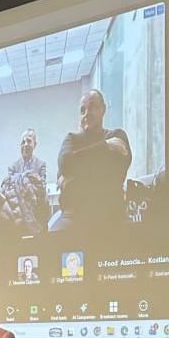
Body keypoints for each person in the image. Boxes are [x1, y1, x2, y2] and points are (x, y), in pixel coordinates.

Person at [57, 89, 131, 232]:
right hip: (74, 219)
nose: (86, 113)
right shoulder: (71, 138)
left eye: (92, 107)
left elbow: (116, 173)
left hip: (111, 216)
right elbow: (65, 163)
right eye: (82, 110)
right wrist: (106, 147)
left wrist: (75, 175)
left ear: (103, 109)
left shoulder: (117, 136)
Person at [1, 129, 48, 235]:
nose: (25, 145)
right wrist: (27, 181)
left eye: (29, 141)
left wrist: (21, 182)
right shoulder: (13, 167)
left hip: (37, 209)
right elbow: (10, 191)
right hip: (18, 213)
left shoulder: (41, 165)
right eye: (23, 142)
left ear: (35, 144)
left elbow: (41, 188)